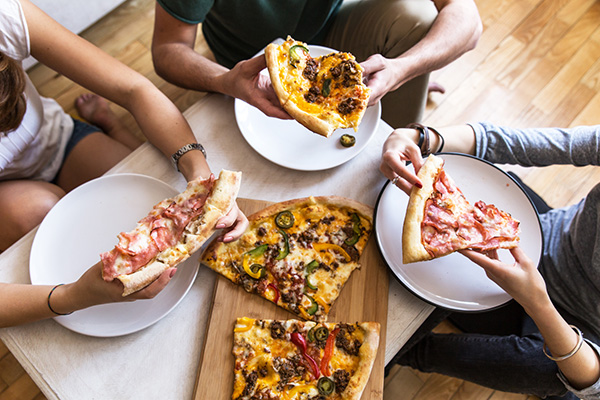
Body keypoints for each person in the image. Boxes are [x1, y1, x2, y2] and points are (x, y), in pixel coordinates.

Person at [0, 0, 248, 326]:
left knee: (147, 180)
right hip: (9, 191)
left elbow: (134, 89)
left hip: (56, 141)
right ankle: (110, 127)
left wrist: (201, 179)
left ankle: (109, 124)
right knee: (40, 211)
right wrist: (74, 296)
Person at [379, 122, 600, 399]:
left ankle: (409, 353)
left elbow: (595, 386)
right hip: (544, 238)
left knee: (547, 376)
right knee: (498, 184)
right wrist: (422, 137)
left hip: (582, 333)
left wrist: (536, 302)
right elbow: (516, 141)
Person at [151, 0, 482, 128]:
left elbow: (467, 21)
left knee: (417, 19)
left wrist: (406, 67)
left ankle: (398, 150)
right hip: (245, 60)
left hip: (336, 25)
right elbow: (168, 48)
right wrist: (225, 81)